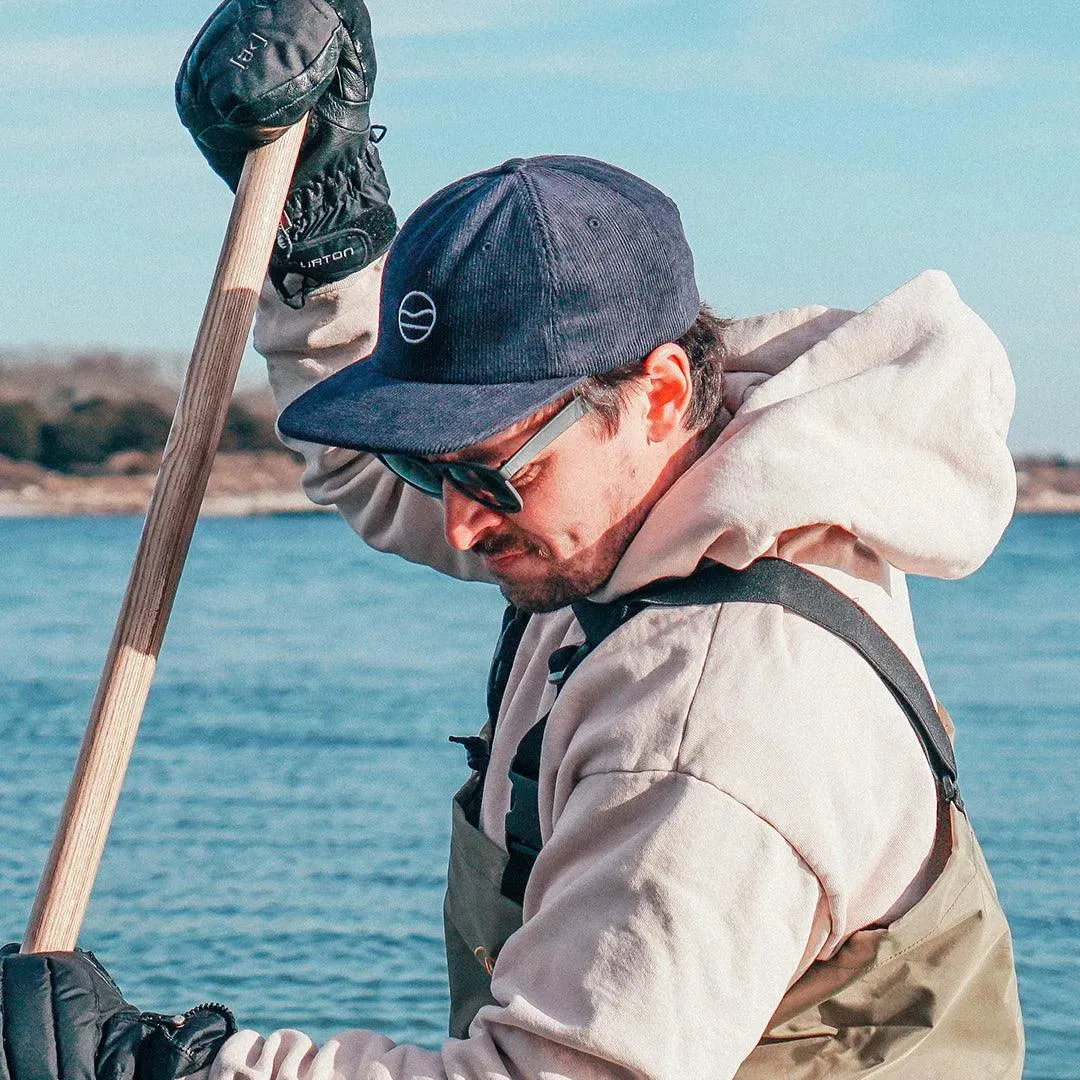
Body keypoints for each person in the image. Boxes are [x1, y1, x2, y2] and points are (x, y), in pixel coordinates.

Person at [0, 0, 1025, 1077]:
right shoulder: (664, 501)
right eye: (427, 463)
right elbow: (378, 474)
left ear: (661, 393)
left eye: (493, 473)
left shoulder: (716, 721)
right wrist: (319, 229)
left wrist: (164, 1067)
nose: (456, 520)